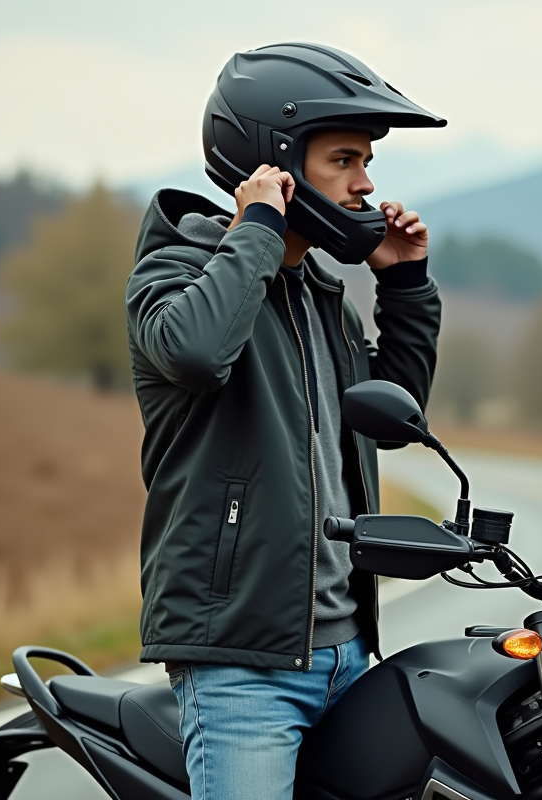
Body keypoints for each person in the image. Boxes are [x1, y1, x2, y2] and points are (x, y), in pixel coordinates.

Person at [123, 43, 445, 800]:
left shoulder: (319, 298)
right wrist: (261, 227)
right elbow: (196, 352)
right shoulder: (175, 271)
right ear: (275, 162)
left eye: (366, 161)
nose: (366, 184)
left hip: (349, 656)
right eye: (344, 159)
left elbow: (389, 419)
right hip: (242, 668)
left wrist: (405, 287)